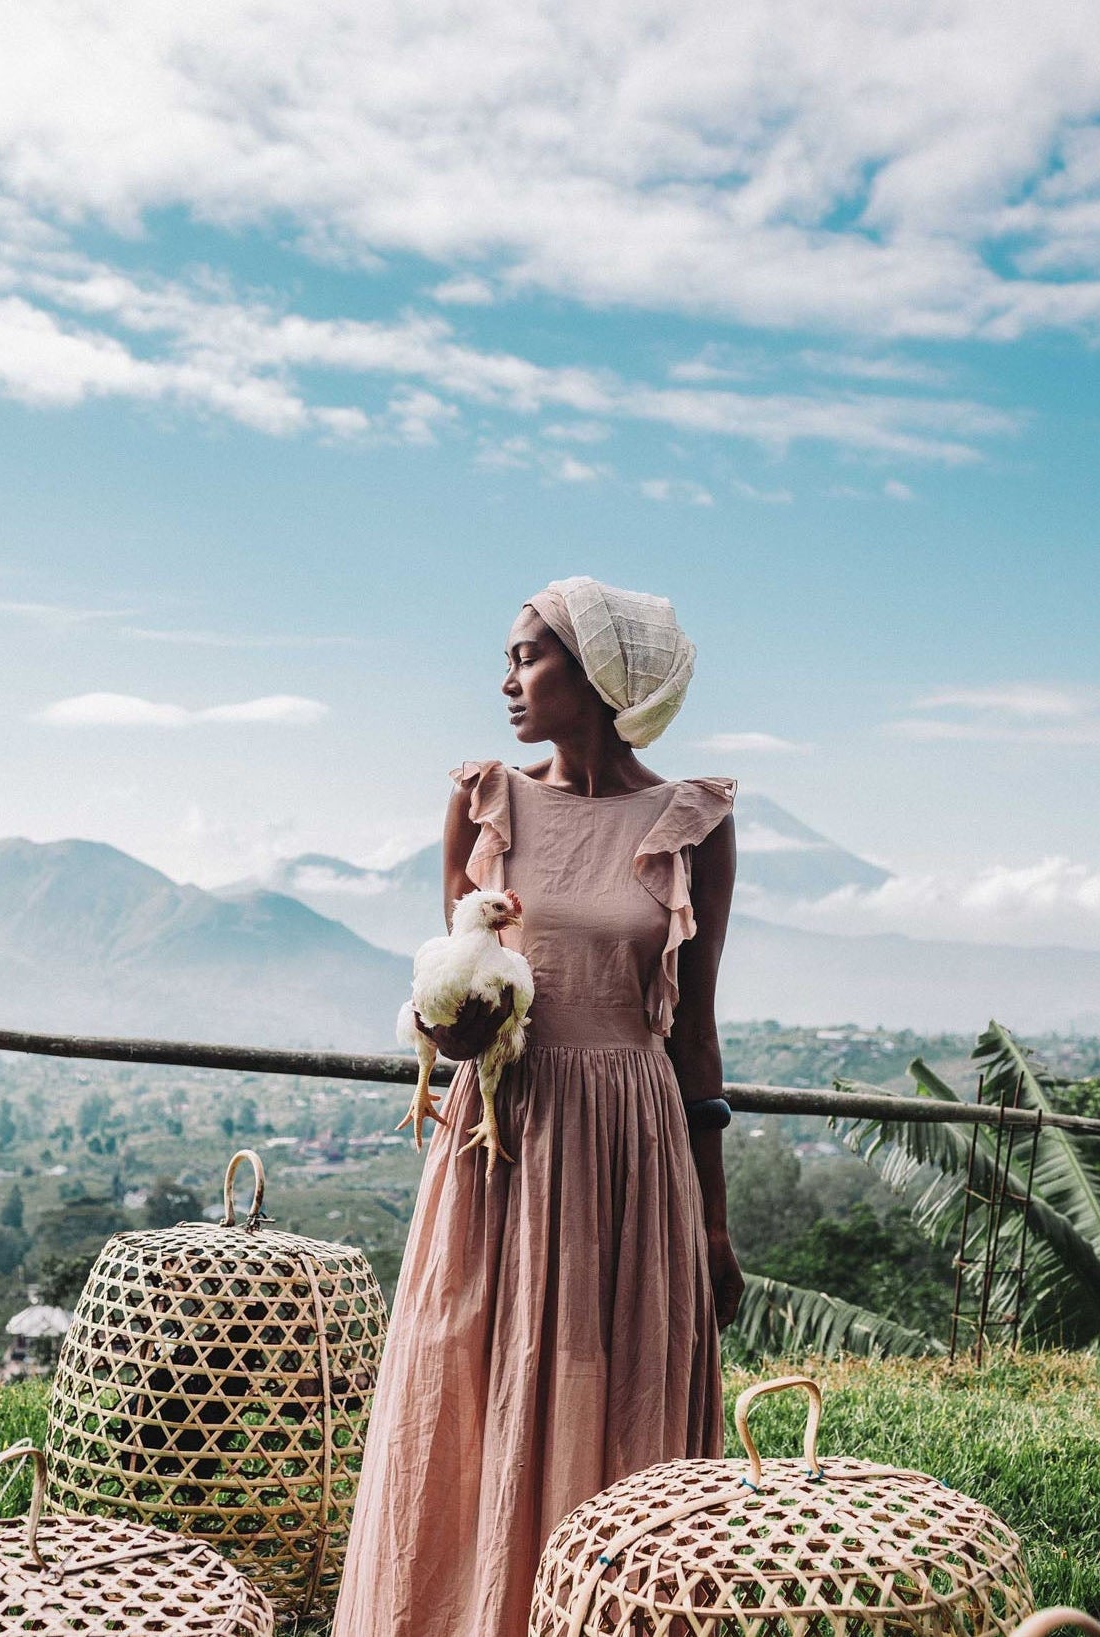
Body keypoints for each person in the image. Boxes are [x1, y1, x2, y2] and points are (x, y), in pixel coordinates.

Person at [331, 576, 742, 1637]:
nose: (506, 678)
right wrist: (454, 1023)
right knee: (472, 1371)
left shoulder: (691, 821)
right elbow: (456, 981)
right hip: (502, 1136)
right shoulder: (483, 800)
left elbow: (694, 1032)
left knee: (618, 1381)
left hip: (633, 1145)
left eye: (528, 655)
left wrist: (714, 1218)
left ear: (599, 673)